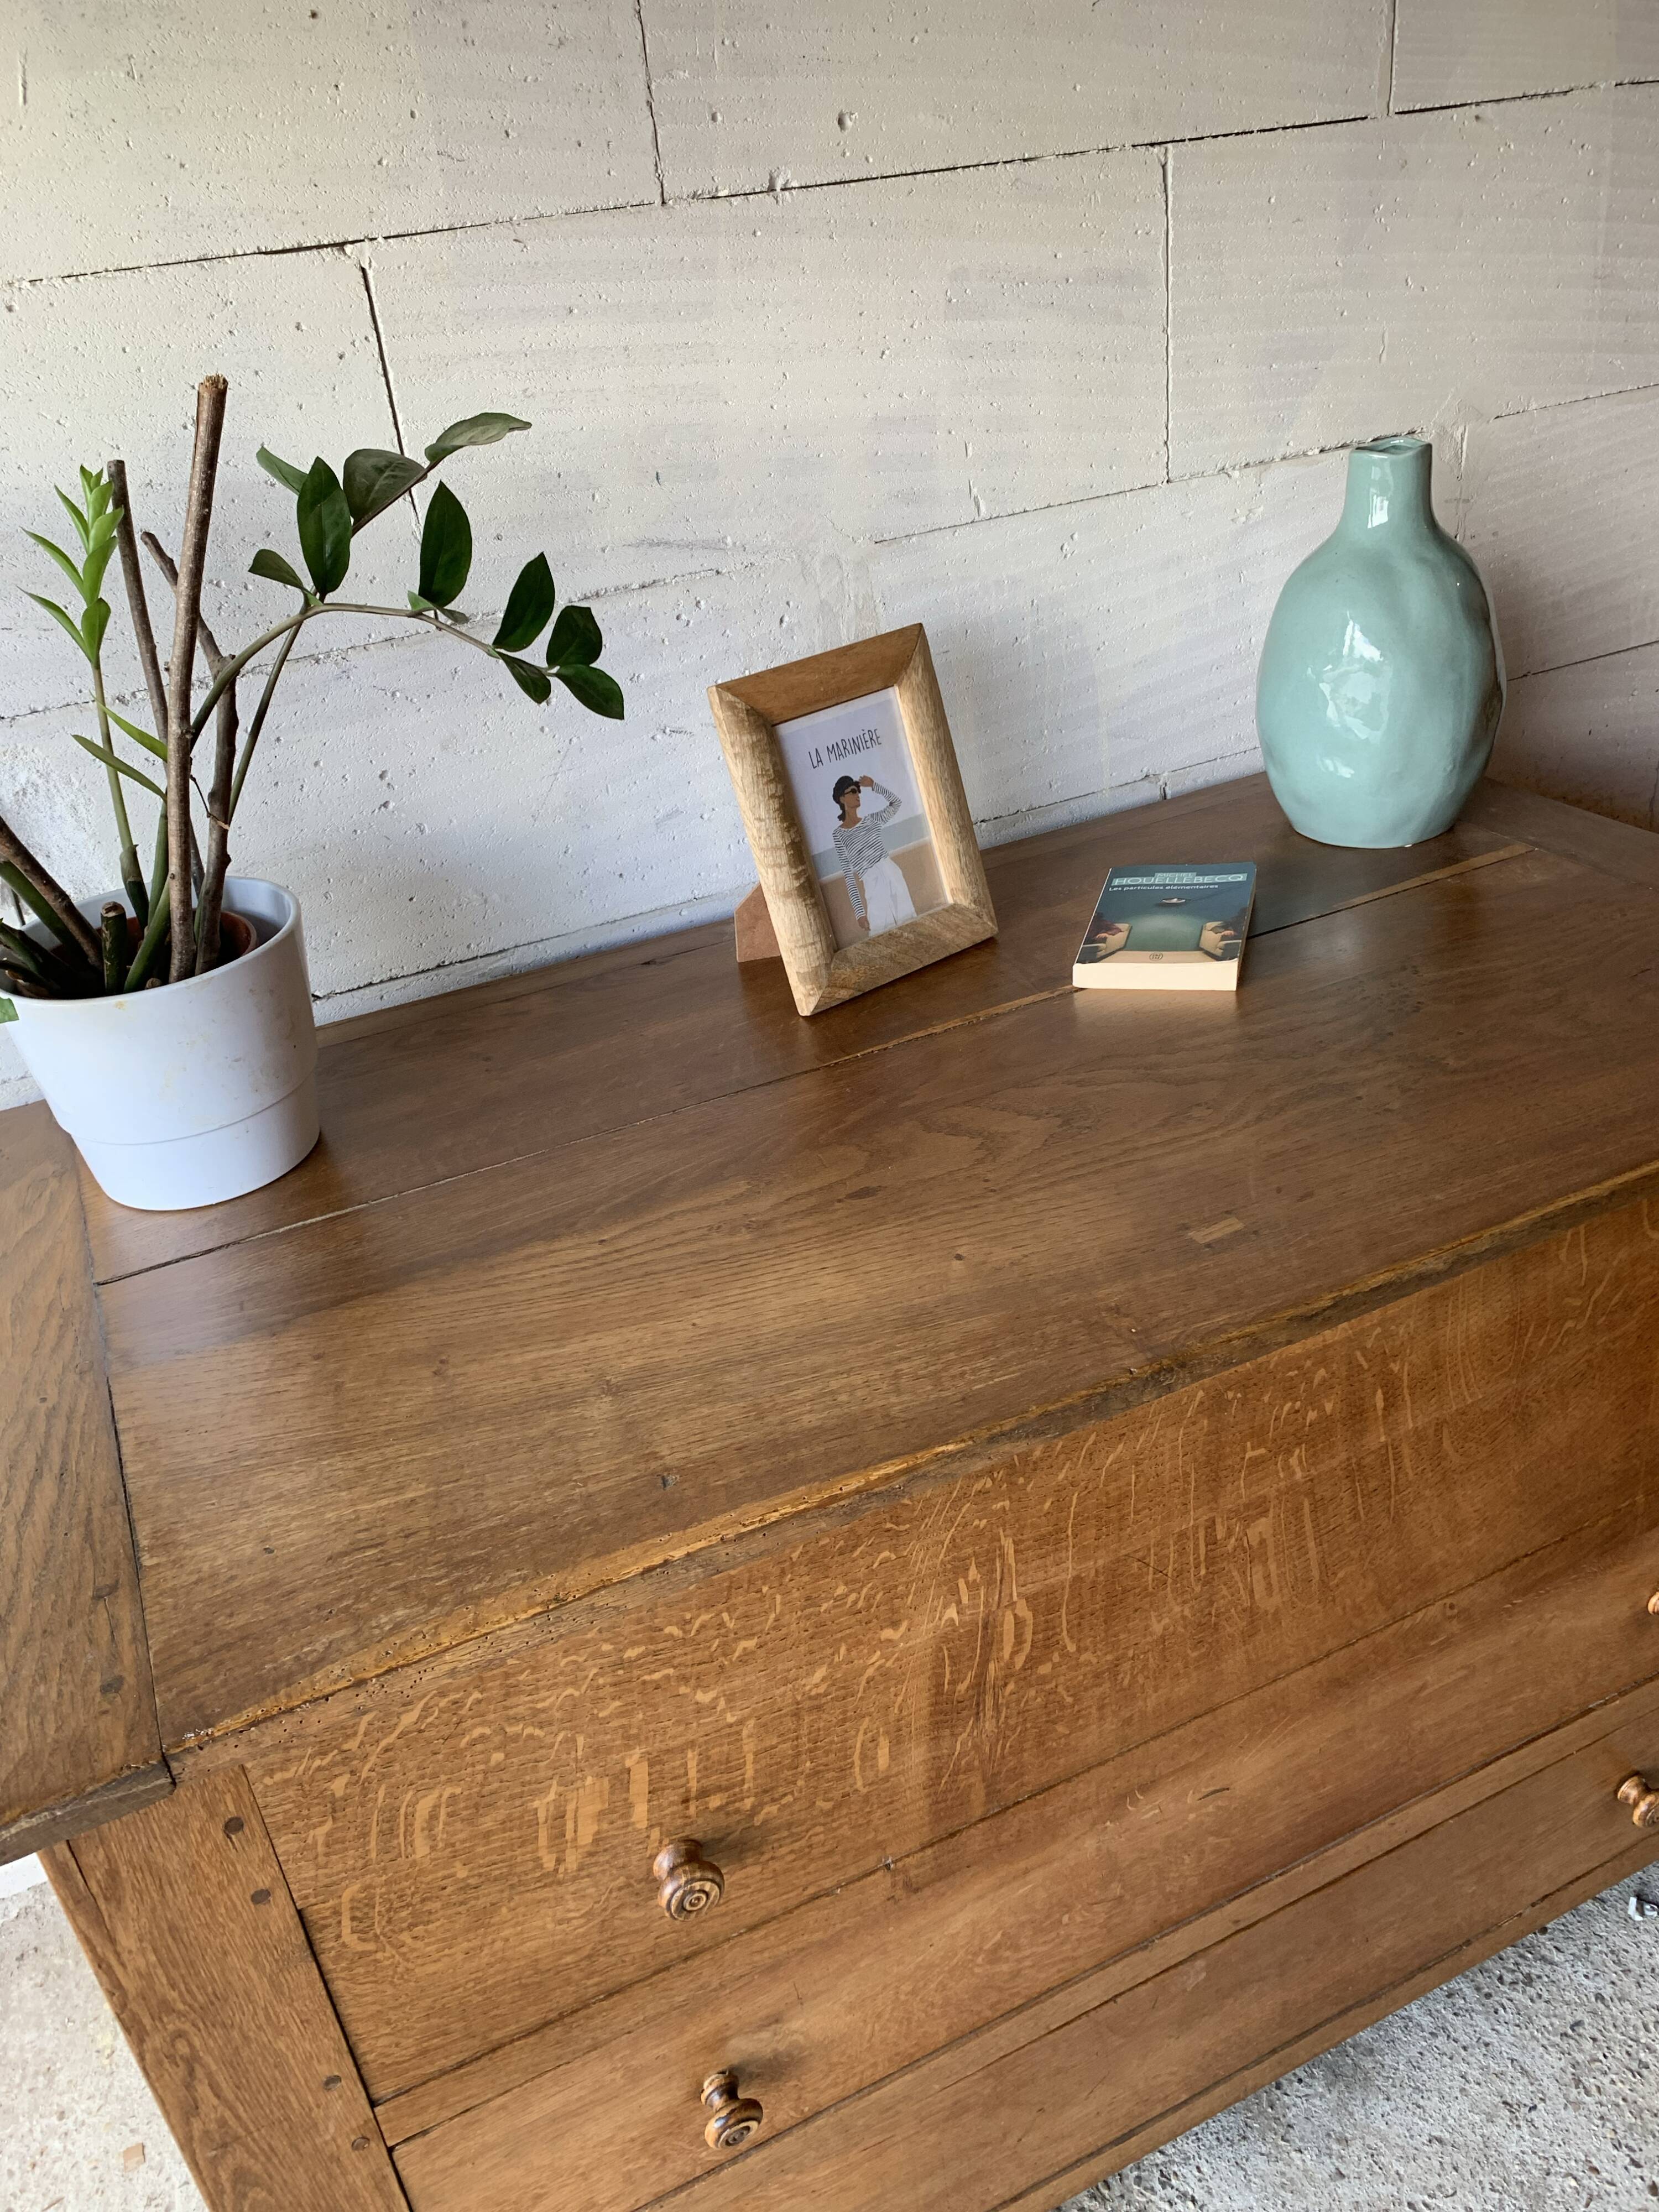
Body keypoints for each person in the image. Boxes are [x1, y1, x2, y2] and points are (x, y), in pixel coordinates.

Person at [831, 774, 916, 936]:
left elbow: (896, 803)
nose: (858, 795)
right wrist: (860, 913)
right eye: (853, 792)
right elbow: (849, 876)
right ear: (842, 799)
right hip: (872, 882)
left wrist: (874, 786)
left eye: (858, 792)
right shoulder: (839, 835)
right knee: (880, 932)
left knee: (909, 923)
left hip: (891, 872)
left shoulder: (871, 820)